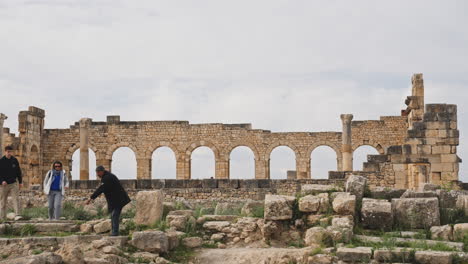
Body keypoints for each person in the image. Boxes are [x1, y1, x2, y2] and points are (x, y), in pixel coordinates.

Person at [86, 166, 130, 236]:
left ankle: (115, 232)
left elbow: (100, 189)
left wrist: (91, 198)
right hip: (117, 199)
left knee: (114, 215)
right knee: (113, 215)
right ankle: (114, 232)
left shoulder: (107, 178)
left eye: (98, 173)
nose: (97, 174)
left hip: (118, 199)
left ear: (102, 171)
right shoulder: (107, 176)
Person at [0, 146, 23, 220]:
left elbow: (18, 172)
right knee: (3, 201)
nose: (9, 153)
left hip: (13, 183)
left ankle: (17, 215)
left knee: (16, 199)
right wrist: (2, 181)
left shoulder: (14, 160)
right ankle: (2, 217)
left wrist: (20, 182)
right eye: (8, 151)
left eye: (10, 151)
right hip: (4, 185)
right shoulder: (1, 161)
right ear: (5, 151)